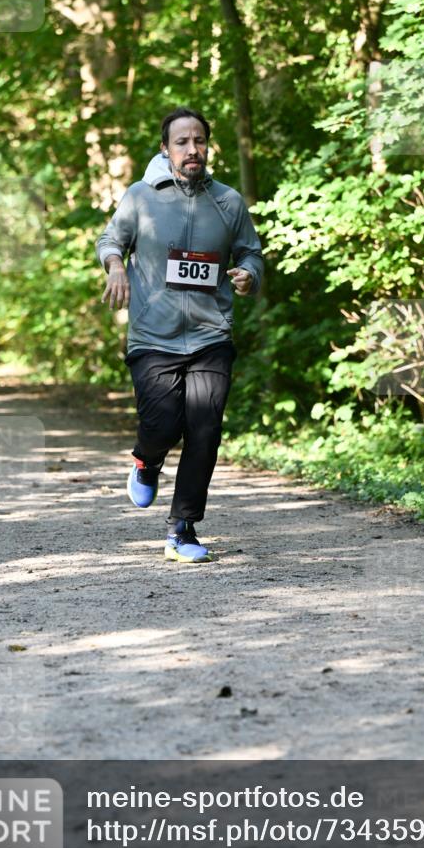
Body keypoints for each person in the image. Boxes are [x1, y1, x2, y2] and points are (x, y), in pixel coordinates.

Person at [96, 107, 264, 563]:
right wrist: (115, 266)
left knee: (205, 428)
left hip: (211, 334)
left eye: (199, 141)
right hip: (153, 335)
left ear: (208, 146)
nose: (193, 150)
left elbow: (251, 253)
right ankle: (147, 460)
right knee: (162, 425)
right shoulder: (141, 196)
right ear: (165, 149)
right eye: (182, 143)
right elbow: (110, 240)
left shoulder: (228, 202)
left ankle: (182, 528)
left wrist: (249, 274)